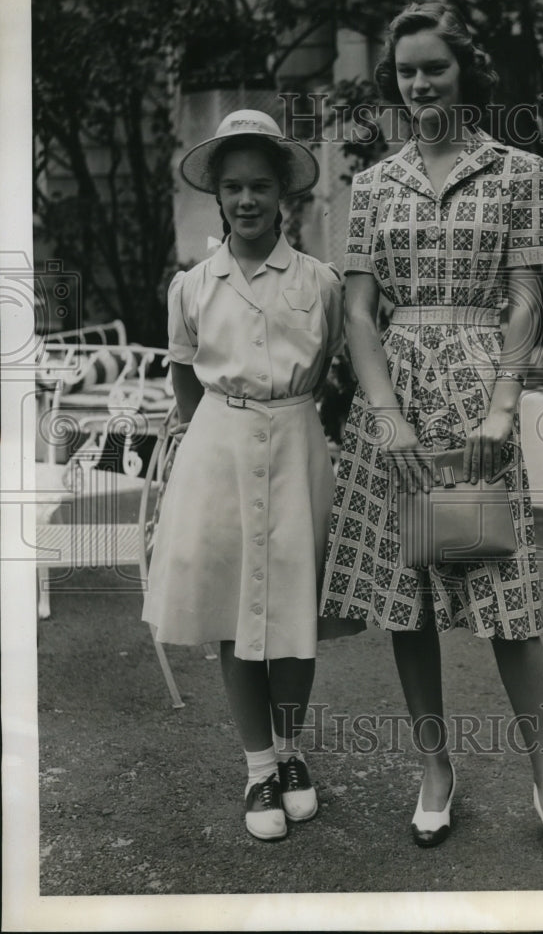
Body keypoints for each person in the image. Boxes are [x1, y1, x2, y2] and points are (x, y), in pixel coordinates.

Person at [319, 2, 543, 868]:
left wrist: (504, 404)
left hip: (480, 394)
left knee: (509, 600)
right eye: (406, 71)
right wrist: (387, 416)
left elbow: (528, 297)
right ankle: (435, 769)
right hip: (394, 401)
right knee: (408, 600)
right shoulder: (374, 184)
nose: (420, 83)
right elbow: (358, 311)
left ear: (464, 70)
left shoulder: (519, 171)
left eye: (434, 67)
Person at [142, 110, 344, 842]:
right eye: (233, 187)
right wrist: (211, 441)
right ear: (217, 195)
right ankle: (258, 764)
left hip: (295, 445)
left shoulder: (319, 281)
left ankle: (290, 753)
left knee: (292, 610)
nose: (247, 200)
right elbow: (185, 380)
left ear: (283, 191)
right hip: (219, 451)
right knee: (237, 610)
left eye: (260, 185)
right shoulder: (194, 286)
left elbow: (332, 372)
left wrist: (306, 426)